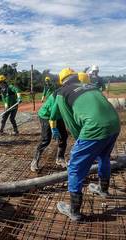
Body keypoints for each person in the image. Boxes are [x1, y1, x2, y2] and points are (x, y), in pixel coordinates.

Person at [49, 68, 120, 221]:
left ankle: (74, 211)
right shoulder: (91, 86)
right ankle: (103, 190)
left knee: (74, 167)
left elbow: (71, 122)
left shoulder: (62, 93)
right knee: (104, 157)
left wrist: (80, 141)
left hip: (94, 129)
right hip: (114, 124)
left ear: (62, 81)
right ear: (76, 78)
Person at [30, 89, 68, 172]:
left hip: (58, 116)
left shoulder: (72, 91)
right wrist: (53, 128)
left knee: (64, 136)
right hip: (46, 115)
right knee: (46, 139)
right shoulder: (59, 96)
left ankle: (60, 158)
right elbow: (52, 115)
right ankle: (35, 161)